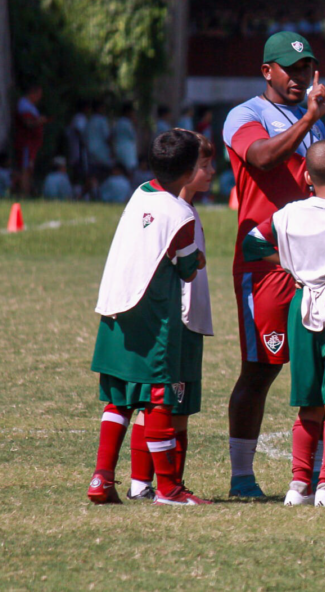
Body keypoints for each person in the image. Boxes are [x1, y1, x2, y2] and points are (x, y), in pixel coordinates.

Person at [221, 31, 325, 498]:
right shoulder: (245, 115)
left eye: (307, 68)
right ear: (267, 71)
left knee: (320, 369)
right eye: (291, 69)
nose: (300, 77)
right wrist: (309, 118)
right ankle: (242, 476)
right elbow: (262, 157)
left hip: (312, 260)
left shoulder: (316, 121)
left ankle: (317, 480)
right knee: (261, 368)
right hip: (264, 263)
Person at [242, 140, 325, 508]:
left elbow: (252, 243)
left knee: (308, 400)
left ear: (306, 176)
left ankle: (298, 486)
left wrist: (286, 263)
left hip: (302, 304)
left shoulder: (288, 213)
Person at [87, 129, 209, 506]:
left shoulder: (140, 191)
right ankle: (169, 488)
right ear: (190, 171)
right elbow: (188, 267)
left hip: (114, 307)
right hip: (152, 313)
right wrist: (198, 260)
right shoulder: (182, 213)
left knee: (120, 399)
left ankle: (101, 479)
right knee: (159, 399)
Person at [126, 132, 216, 501]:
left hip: (188, 319)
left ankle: (157, 484)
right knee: (165, 403)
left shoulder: (187, 209)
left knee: (178, 405)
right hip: (175, 321)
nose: (211, 172)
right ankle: (160, 485)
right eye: (205, 165)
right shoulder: (174, 211)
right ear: (185, 170)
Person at [13, 85, 50, 195]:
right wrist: (41, 121)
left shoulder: (30, 106)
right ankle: (23, 193)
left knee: (29, 168)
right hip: (26, 142)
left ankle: (27, 192)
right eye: (38, 95)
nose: (39, 98)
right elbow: (28, 123)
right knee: (25, 169)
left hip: (32, 144)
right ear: (32, 93)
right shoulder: (24, 105)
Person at [85, 100, 113, 173]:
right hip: (102, 151)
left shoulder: (89, 121)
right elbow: (107, 137)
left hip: (90, 151)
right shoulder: (102, 120)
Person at [113, 103, 139, 173]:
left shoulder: (118, 122)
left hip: (118, 147)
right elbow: (133, 136)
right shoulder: (128, 123)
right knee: (130, 169)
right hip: (127, 149)